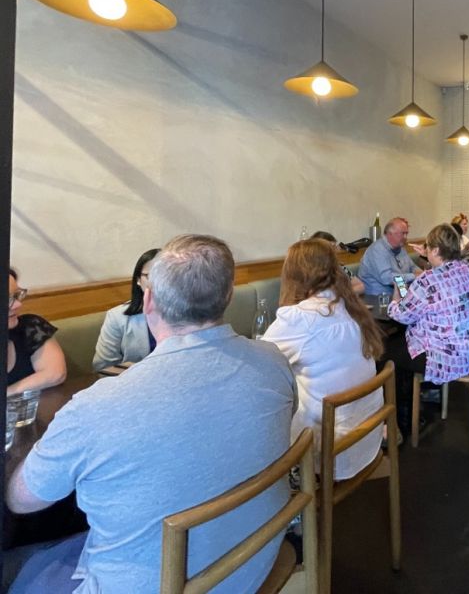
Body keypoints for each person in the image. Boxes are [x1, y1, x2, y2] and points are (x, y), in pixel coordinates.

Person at [6, 235, 296, 593]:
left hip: (162, 583)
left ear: (148, 300)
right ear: (229, 295)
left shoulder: (95, 408)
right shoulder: (274, 361)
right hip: (253, 560)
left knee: (16, 565)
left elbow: (20, 500)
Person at [262, 238, 384, 479]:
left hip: (333, 450)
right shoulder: (348, 306)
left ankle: (284, 491)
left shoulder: (300, 318)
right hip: (366, 437)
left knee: (265, 411)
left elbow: (259, 365)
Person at [387, 224, 469, 383]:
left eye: (427, 247)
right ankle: (429, 392)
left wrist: (395, 299)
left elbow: (402, 316)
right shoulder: (467, 268)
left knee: (388, 350)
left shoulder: (427, 281)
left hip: (449, 360)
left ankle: (408, 404)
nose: (425, 250)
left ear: (435, 250)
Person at [92, 248, 161, 372]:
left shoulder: (192, 314)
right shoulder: (117, 317)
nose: (159, 282)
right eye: (151, 275)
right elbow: (103, 367)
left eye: (166, 275)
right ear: (138, 280)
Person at [7, 268, 66, 396]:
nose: (18, 305)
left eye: (17, 296)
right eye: (7, 299)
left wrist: (6, 394)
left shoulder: (30, 326)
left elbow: (55, 373)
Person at [358, 217, 422, 295]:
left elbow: (412, 267)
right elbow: (387, 278)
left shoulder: (400, 248)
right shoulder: (377, 250)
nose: (405, 237)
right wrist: (413, 276)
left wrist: (421, 274)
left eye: (406, 233)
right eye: (402, 233)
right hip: (379, 298)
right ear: (390, 233)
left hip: (400, 295)